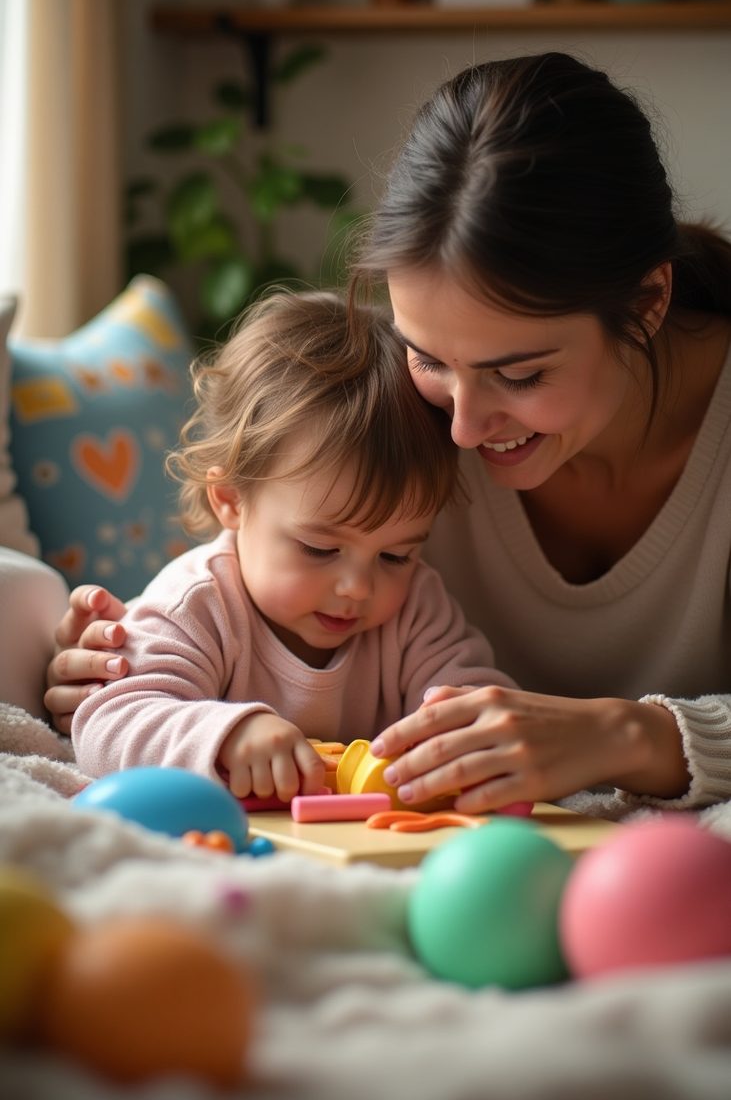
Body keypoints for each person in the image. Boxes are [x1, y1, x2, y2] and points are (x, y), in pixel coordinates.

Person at [48, 51, 731, 814]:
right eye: (428, 358)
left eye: (520, 375)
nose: (461, 430)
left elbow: (458, 685)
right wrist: (108, 672)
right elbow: (148, 686)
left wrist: (626, 735)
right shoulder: (387, 419)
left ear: (646, 304)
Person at [67, 289, 515, 801]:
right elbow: (107, 722)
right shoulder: (198, 604)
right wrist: (228, 736)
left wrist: (462, 733)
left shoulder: (414, 608)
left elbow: (478, 701)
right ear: (231, 499)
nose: (357, 587)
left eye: (395, 555)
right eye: (320, 549)